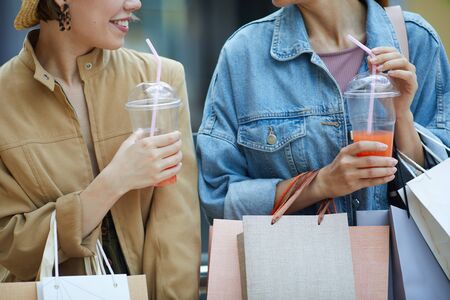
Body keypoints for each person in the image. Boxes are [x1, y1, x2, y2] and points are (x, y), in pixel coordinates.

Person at [0, 0, 200, 298]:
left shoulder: (160, 80)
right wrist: (113, 181)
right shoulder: (4, 99)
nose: (135, 4)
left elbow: (176, 237)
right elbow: (12, 247)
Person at [197, 0, 450, 223]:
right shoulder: (244, 53)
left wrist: (402, 115)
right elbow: (218, 196)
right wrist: (320, 184)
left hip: (401, 274)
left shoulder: (416, 40)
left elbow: (441, 190)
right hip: (296, 271)